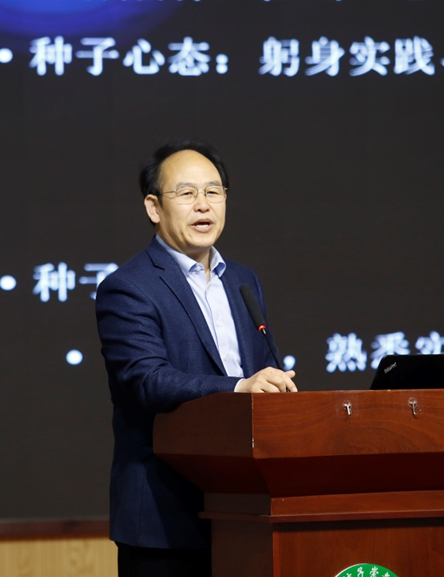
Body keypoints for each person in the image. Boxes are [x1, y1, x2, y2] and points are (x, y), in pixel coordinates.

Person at [95, 140, 297, 577]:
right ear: (154, 207)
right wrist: (239, 387)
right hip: (166, 518)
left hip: (245, 513)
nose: (203, 204)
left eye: (213, 191)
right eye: (186, 193)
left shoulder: (242, 280)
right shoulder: (128, 287)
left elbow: (262, 368)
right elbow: (147, 381)